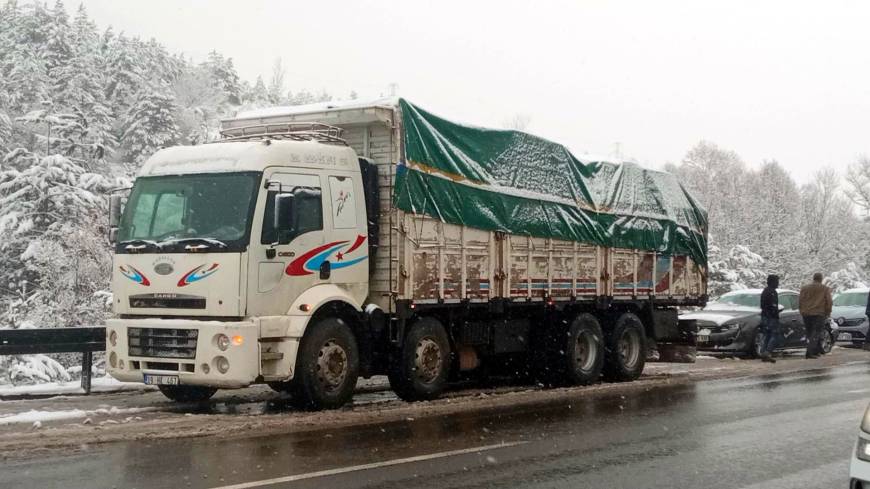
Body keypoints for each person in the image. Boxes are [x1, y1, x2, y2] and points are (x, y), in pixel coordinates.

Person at [799, 272, 833, 359]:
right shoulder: (824, 289)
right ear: (821, 279)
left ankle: (816, 351)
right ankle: (809, 352)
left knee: (810, 333)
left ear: (813, 278)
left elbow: (800, 300)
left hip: (806, 314)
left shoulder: (804, 288)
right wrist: (828, 312)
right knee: (816, 332)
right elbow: (829, 302)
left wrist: (802, 311)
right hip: (818, 313)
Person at [759, 274, 780, 363]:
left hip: (765, 316)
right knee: (774, 335)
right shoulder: (771, 292)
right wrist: (774, 312)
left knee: (767, 335)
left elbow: (763, 305)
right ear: (772, 282)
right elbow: (770, 305)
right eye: (777, 282)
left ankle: (763, 352)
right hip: (771, 317)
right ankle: (767, 352)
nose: (778, 284)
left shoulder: (765, 291)